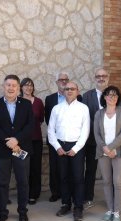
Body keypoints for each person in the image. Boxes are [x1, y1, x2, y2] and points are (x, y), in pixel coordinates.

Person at [0, 74, 34, 221]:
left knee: (23, 181)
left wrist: (17, 140)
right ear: (3, 86)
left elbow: (30, 126)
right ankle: (2, 213)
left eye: (14, 85)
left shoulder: (26, 104)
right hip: (1, 150)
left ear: (18, 87)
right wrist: (8, 141)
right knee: (2, 183)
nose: (11, 88)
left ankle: (22, 212)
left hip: (21, 149)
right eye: (8, 85)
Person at [48, 81, 90, 221]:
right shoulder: (56, 108)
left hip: (77, 146)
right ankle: (66, 204)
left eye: (72, 89)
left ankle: (78, 207)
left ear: (77, 91)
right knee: (64, 177)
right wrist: (57, 147)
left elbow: (85, 131)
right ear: (63, 91)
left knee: (78, 178)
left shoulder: (84, 108)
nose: (69, 91)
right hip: (60, 146)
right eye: (67, 89)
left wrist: (76, 148)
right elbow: (50, 130)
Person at [94, 86, 121, 221]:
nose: (112, 97)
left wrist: (112, 147)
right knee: (107, 181)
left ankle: (117, 211)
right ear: (104, 97)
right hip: (103, 152)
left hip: (119, 152)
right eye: (109, 95)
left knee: (118, 182)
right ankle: (110, 209)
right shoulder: (99, 113)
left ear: (118, 98)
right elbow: (96, 133)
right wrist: (104, 147)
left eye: (115, 95)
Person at [82, 68, 108, 209]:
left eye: (104, 76)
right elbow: (84, 118)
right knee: (90, 170)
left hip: (110, 143)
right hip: (92, 141)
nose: (101, 78)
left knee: (111, 172)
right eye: (98, 76)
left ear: (108, 78)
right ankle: (88, 197)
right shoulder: (86, 96)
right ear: (94, 78)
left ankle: (113, 199)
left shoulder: (113, 94)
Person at [44, 72, 70, 202]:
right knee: (54, 167)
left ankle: (69, 191)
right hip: (54, 138)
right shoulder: (49, 99)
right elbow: (48, 120)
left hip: (71, 139)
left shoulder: (78, 97)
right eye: (61, 80)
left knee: (68, 167)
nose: (64, 82)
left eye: (66, 80)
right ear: (56, 82)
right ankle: (55, 192)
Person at [21, 77, 45, 205]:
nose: (28, 87)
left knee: (35, 167)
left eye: (30, 85)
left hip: (36, 140)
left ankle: (33, 194)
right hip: (20, 143)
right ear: (21, 87)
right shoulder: (17, 101)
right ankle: (23, 192)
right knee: (22, 168)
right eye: (25, 85)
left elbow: (41, 119)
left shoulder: (39, 102)